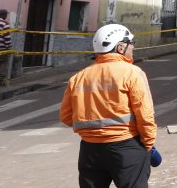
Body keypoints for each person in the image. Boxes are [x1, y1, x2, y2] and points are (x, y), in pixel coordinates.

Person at [60, 23, 157, 188]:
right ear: (120, 47)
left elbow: (66, 116)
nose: (133, 47)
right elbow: (145, 114)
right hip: (126, 146)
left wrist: (93, 132)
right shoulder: (132, 73)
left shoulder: (78, 77)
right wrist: (148, 144)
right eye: (131, 44)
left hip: (90, 150)